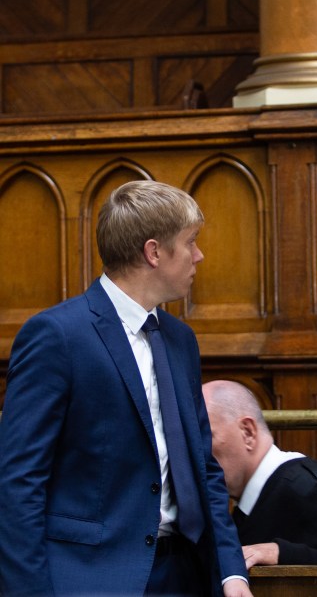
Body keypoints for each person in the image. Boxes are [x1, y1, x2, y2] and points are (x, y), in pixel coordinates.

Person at [0, 181, 251, 597]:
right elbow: (19, 482)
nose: (199, 255)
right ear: (154, 252)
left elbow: (203, 468)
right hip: (91, 578)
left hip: (186, 576)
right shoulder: (57, 336)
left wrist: (231, 570)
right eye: (191, 242)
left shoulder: (180, 339)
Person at [202, 380, 317, 568]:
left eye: (207, 437)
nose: (197, 453)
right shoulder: (247, 498)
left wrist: (280, 552)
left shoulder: (305, 487)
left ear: (248, 432)